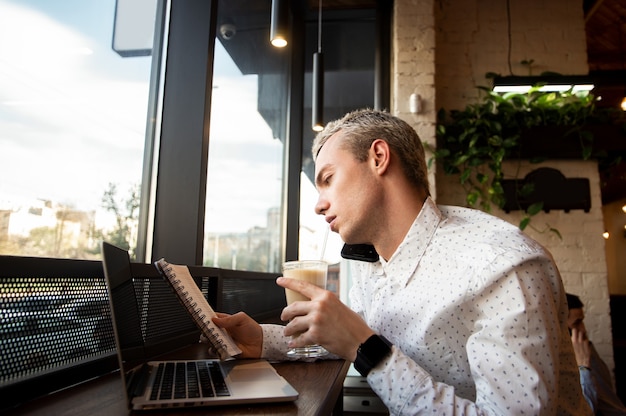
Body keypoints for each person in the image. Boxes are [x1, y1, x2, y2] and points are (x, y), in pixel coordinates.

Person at [212, 109, 590, 414]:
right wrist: (264, 340)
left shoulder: (499, 264)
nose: (318, 204)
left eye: (328, 179)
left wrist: (369, 351)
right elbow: (343, 336)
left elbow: (361, 341)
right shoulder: (376, 266)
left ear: (378, 157)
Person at [567, 293, 626, 415]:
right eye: (577, 323)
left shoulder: (587, 348)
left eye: (582, 321)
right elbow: (587, 411)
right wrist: (583, 367)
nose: (583, 329)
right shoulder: (562, 365)